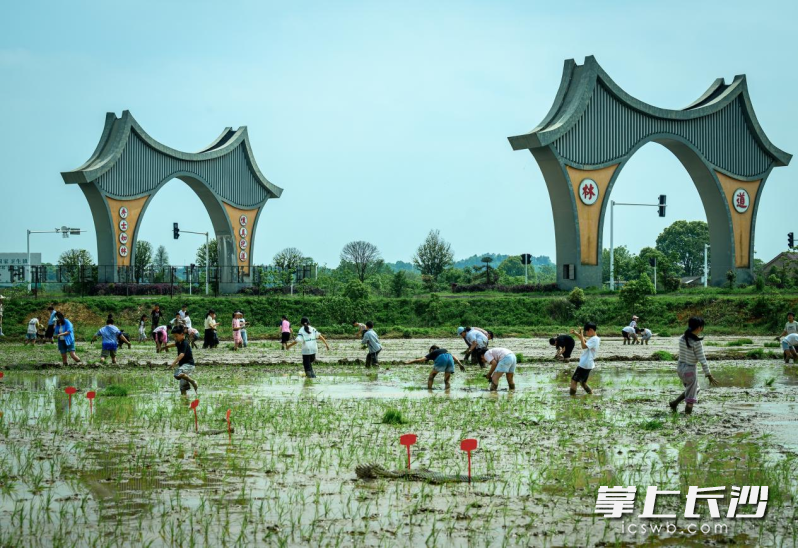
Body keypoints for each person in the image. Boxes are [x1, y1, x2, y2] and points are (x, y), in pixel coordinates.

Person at [669, 317, 719, 414]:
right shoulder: (696, 342)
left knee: (695, 389)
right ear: (700, 327)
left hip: (680, 369)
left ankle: (674, 403)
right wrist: (709, 375)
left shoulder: (682, 338)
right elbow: (702, 360)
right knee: (691, 399)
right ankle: (687, 419)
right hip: (690, 371)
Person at [164, 326, 198, 395]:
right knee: (182, 388)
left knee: (177, 374)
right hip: (184, 366)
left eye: (176, 336)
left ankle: (192, 381)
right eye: (174, 336)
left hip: (188, 365)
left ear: (182, 334)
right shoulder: (179, 343)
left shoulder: (184, 343)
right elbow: (174, 344)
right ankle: (185, 402)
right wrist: (166, 346)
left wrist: (173, 363)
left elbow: (182, 354)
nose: (175, 338)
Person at [570, 322, 600, 395]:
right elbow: (584, 340)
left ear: (590, 330)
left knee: (574, 380)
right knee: (583, 382)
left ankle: (572, 397)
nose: (586, 333)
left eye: (586, 331)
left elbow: (583, 346)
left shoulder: (594, 339)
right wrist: (576, 333)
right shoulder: (595, 338)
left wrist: (582, 333)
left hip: (585, 364)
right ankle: (591, 394)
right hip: (588, 364)